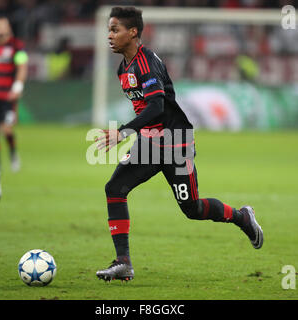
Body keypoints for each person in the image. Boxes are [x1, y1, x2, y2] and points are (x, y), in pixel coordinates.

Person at [95, 7, 263, 282]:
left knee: (192, 209)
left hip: (176, 144)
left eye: (115, 29)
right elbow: (146, 111)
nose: (109, 35)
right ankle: (123, 262)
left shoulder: (145, 62)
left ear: (133, 32)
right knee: (114, 188)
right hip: (150, 144)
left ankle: (242, 216)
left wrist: (123, 132)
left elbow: (158, 106)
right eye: (109, 30)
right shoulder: (123, 68)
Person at [0, 16, 28, 173]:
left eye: (1, 34)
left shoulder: (17, 47)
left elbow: (22, 66)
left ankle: (13, 155)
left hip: (8, 96)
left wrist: (17, 87)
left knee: (7, 130)